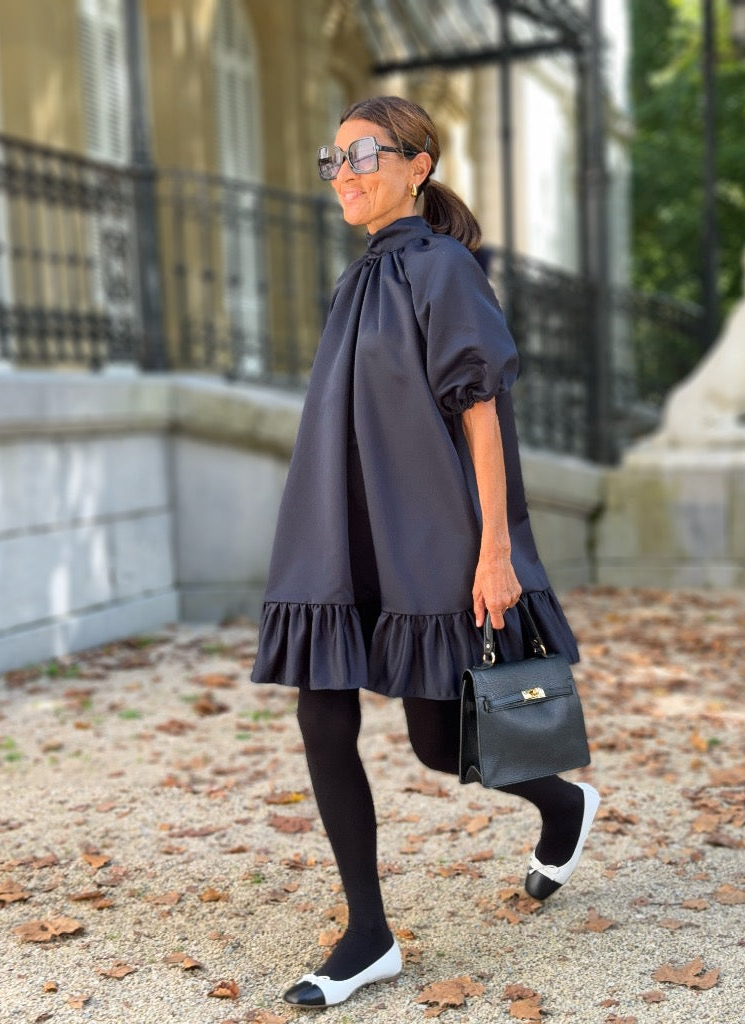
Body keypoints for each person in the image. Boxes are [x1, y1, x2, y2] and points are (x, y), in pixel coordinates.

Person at [251, 95, 599, 1009]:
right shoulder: (360, 276)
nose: (345, 174)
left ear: (418, 166)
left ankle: (562, 803)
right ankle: (369, 935)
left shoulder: (443, 269)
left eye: (364, 154)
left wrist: (496, 552)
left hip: (429, 529)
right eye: (334, 159)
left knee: (441, 742)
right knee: (322, 710)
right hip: (343, 524)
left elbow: (479, 413)